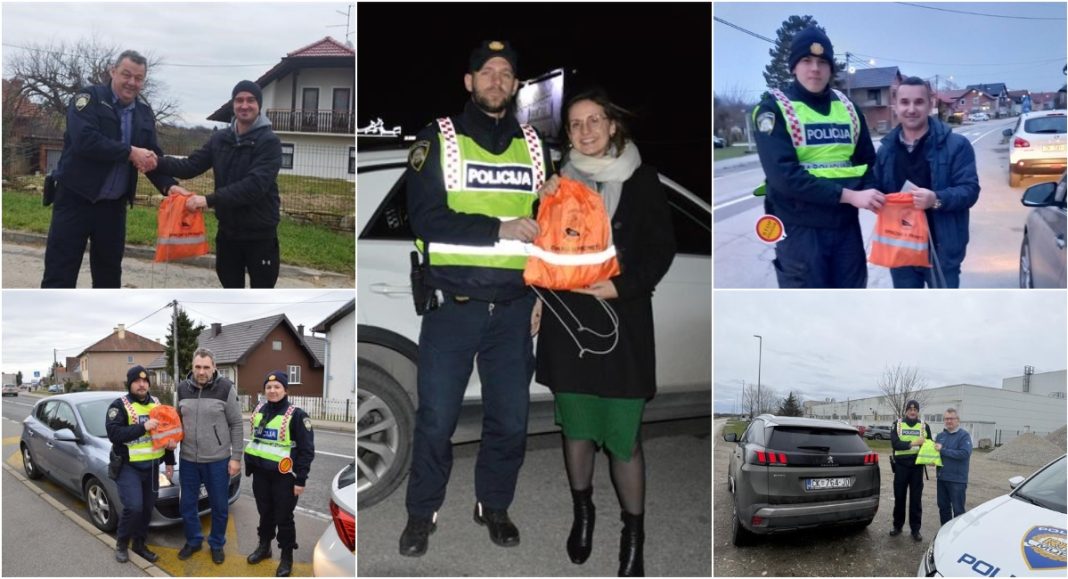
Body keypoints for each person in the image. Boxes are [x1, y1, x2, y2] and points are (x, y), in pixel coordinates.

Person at [398, 39, 554, 557]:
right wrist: (499, 228)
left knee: (510, 422)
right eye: (486, 70)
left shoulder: (536, 146)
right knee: (437, 421)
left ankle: (493, 505)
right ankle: (422, 514)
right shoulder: (437, 138)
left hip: (514, 311)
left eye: (505, 72)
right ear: (469, 82)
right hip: (452, 309)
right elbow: (425, 218)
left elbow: (549, 230)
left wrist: (540, 292)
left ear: (515, 85)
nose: (495, 79)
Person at [534, 89, 675, 577]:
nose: (586, 130)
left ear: (613, 125)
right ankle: (583, 513)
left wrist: (621, 286)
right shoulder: (555, 184)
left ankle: (633, 534)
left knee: (624, 439)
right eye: (576, 124)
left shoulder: (642, 180)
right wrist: (538, 299)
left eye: (595, 120)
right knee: (575, 429)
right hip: (567, 324)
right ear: (568, 133)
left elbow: (662, 251)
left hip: (623, 322)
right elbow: (545, 253)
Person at [752, 27, 884, 288]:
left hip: (845, 228)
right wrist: (851, 196)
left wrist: (874, 192)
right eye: (806, 60)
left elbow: (867, 162)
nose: (815, 68)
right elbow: (784, 177)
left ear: (830, 69)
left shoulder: (848, 108)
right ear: (793, 67)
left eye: (823, 62)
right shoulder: (773, 110)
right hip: (800, 230)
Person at [42, 50, 181, 288]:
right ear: (112, 71)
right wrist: (129, 152)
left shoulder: (144, 113)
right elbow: (85, 140)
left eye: (138, 78)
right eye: (126, 75)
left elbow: (150, 158)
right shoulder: (88, 98)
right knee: (59, 274)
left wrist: (171, 186)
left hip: (112, 209)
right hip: (75, 199)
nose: (131, 82)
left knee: (109, 278)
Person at [154, 80, 283, 288]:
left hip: (260, 235)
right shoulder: (220, 139)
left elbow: (254, 186)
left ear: (258, 105)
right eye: (239, 100)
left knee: (263, 292)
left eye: (250, 100)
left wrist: (208, 200)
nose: (244, 105)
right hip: (228, 232)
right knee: (230, 287)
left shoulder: (269, 142)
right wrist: (156, 161)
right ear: (233, 104)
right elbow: (191, 166)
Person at [872, 77, 981, 288]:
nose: (911, 109)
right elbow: (876, 186)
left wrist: (936, 199)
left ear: (930, 104)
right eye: (905, 102)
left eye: (918, 102)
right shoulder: (886, 150)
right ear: (895, 106)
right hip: (901, 248)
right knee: (909, 315)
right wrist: (872, 196)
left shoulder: (957, 145)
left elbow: (970, 190)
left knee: (942, 316)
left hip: (941, 251)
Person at [175, 348, 244, 563]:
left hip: (217, 460)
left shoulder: (226, 389)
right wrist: (169, 441)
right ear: (192, 367)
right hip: (188, 460)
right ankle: (194, 541)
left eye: (206, 367)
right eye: (198, 367)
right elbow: (175, 423)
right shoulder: (181, 389)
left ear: (214, 367)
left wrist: (236, 458)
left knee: (219, 506)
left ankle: (216, 543)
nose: (201, 371)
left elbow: (236, 424)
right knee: (187, 505)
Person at [244, 371, 315, 577]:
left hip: (285, 478)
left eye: (277, 387)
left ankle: (286, 557)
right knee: (265, 514)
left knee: (284, 518)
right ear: (264, 390)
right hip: (261, 475)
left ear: (285, 390)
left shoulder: (297, 415)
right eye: (269, 387)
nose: (272, 391)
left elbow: (306, 451)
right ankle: (264, 547)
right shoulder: (259, 409)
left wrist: (300, 479)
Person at [105, 366, 176, 563]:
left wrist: (170, 461)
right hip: (129, 467)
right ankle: (121, 543)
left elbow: (167, 433)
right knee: (134, 507)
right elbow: (114, 434)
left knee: (147, 508)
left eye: (145, 381)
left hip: (152, 466)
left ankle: (139, 544)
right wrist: (142, 427)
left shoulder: (157, 404)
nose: (142, 384)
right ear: (130, 384)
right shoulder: (119, 406)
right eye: (137, 381)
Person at [889, 399, 933, 541]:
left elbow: (929, 445)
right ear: (906, 411)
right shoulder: (897, 424)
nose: (913, 412)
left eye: (915, 410)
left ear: (918, 411)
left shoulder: (924, 426)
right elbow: (896, 444)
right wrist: (914, 443)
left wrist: (931, 457)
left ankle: (915, 530)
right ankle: (897, 526)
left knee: (916, 500)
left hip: (917, 467)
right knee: (899, 497)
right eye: (910, 409)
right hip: (901, 466)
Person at [934, 408, 972, 524]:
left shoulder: (964, 436)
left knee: (958, 511)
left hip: (957, 481)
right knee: (943, 508)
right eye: (946, 419)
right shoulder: (940, 436)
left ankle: (957, 537)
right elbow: (937, 454)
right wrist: (932, 460)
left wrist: (943, 450)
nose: (949, 421)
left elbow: (964, 453)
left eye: (951, 418)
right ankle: (945, 534)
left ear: (958, 420)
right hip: (942, 479)